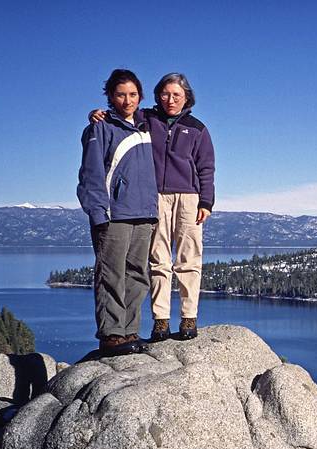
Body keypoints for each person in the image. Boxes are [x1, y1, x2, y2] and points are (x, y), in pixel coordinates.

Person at [90, 72, 215, 342]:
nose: (171, 100)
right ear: (158, 95)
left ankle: (189, 317)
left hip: (189, 198)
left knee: (189, 259)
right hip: (153, 196)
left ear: (186, 97)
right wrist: (97, 114)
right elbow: (120, 114)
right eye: (165, 94)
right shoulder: (146, 119)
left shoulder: (197, 128)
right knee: (158, 259)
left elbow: (206, 167)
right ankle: (161, 321)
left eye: (177, 95)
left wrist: (206, 200)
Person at [77, 69, 158, 356]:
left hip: (145, 213)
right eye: (121, 94)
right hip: (114, 215)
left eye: (133, 94)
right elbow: (90, 174)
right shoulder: (100, 128)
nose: (127, 100)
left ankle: (129, 331)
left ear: (141, 96)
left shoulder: (148, 125)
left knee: (137, 274)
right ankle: (112, 335)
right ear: (110, 96)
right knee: (111, 274)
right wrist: (98, 212)